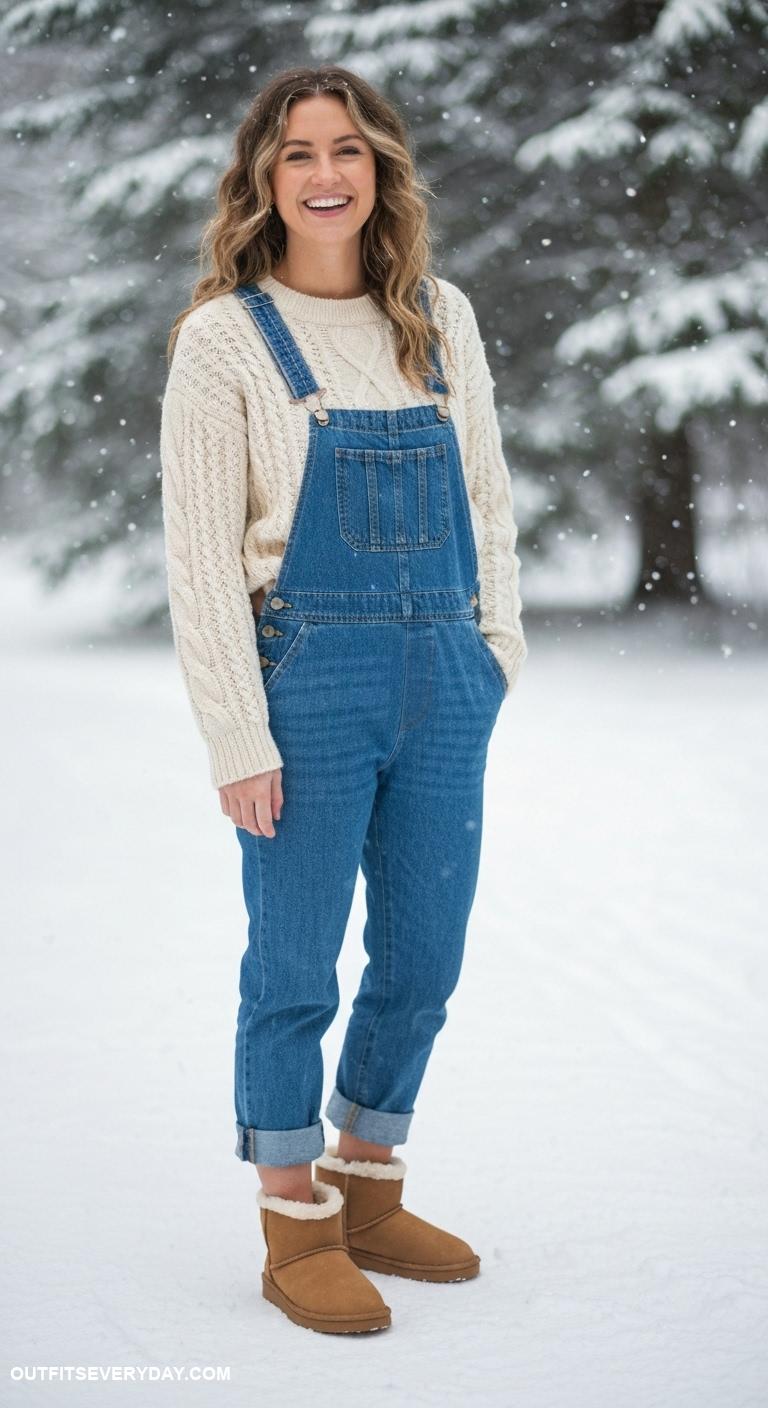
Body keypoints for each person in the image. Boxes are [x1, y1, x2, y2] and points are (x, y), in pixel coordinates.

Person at [160, 64, 527, 1335]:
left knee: (425, 954)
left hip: (444, 672)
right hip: (304, 683)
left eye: (350, 152)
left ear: (381, 172)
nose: (327, 176)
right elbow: (202, 559)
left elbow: (485, 496)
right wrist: (235, 731)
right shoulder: (225, 340)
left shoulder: (437, 315)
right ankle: (292, 1218)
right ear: (265, 178)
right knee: (295, 962)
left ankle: (368, 1183)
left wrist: (495, 654)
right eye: (300, 153)